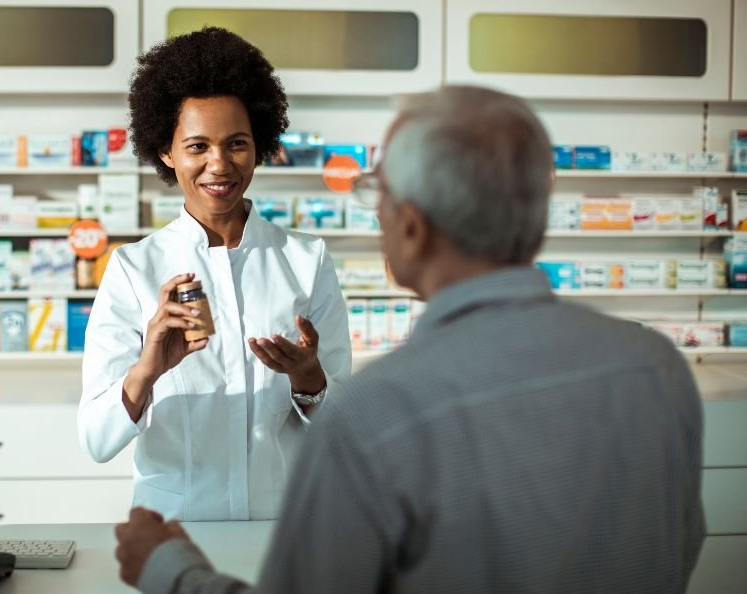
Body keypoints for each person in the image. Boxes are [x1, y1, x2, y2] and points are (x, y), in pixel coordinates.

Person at [114, 85, 705, 592]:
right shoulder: (654, 366)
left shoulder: (378, 413)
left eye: (380, 194)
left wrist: (170, 571)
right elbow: (683, 542)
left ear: (412, 225)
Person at [79, 27, 351, 522]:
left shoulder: (306, 260)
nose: (219, 164)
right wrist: (146, 370)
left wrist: (309, 379)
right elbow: (97, 440)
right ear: (166, 151)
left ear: (259, 145)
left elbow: (345, 435)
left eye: (236, 144)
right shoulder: (133, 269)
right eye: (198, 146)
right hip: (174, 531)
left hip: (282, 527)